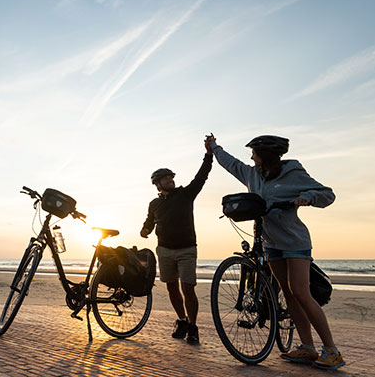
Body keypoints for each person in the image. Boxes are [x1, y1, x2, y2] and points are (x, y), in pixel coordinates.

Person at [205, 134, 344, 370]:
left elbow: (327, 194)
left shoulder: (293, 174)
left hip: (294, 241)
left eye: (255, 153)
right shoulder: (252, 174)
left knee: (300, 292)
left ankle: (332, 350)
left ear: (265, 155)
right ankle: (307, 348)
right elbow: (231, 164)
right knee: (288, 296)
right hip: (270, 243)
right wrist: (214, 147)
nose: (251, 157)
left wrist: (306, 197)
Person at [140, 144, 212, 344]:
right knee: (171, 287)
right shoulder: (154, 204)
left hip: (187, 249)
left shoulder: (185, 194)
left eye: (172, 177)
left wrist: (208, 155)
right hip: (164, 250)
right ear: (157, 184)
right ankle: (182, 320)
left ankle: (194, 327)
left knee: (188, 288)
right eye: (166, 178)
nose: (171, 180)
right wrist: (145, 230)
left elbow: (201, 177)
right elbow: (149, 221)